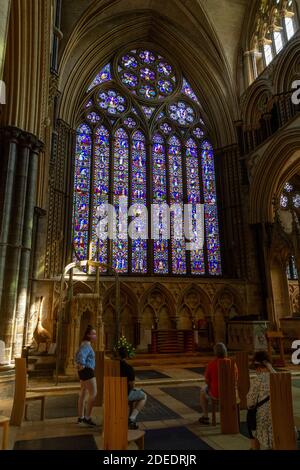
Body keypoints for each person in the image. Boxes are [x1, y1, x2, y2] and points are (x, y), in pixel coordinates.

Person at [198, 342, 239, 424]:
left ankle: (205, 416)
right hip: (231, 394)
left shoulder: (211, 364)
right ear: (225, 351)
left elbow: (207, 381)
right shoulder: (232, 363)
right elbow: (236, 379)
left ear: (215, 352)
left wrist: (210, 387)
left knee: (202, 391)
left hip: (216, 394)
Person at [247, 350, 275, 450]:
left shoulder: (257, 380)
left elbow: (250, 403)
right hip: (279, 416)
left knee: (250, 415)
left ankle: (254, 447)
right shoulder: (278, 378)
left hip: (264, 420)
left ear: (257, 367)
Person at [118, 346, 147, 430]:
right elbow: (132, 384)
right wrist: (133, 390)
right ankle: (132, 418)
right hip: (125, 395)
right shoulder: (129, 368)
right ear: (127, 356)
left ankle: (131, 420)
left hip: (113, 394)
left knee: (132, 396)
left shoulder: (113, 367)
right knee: (143, 396)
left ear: (118, 355)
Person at [75, 324, 98, 426]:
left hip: (84, 371)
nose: (95, 336)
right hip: (88, 371)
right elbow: (80, 356)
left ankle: (81, 417)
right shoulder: (86, 345)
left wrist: (81, 368)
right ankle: (87, 418)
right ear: (88, 335)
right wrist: (82, 366)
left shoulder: (84, 344)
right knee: (93, 393)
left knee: (83, 393)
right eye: (93, 334)